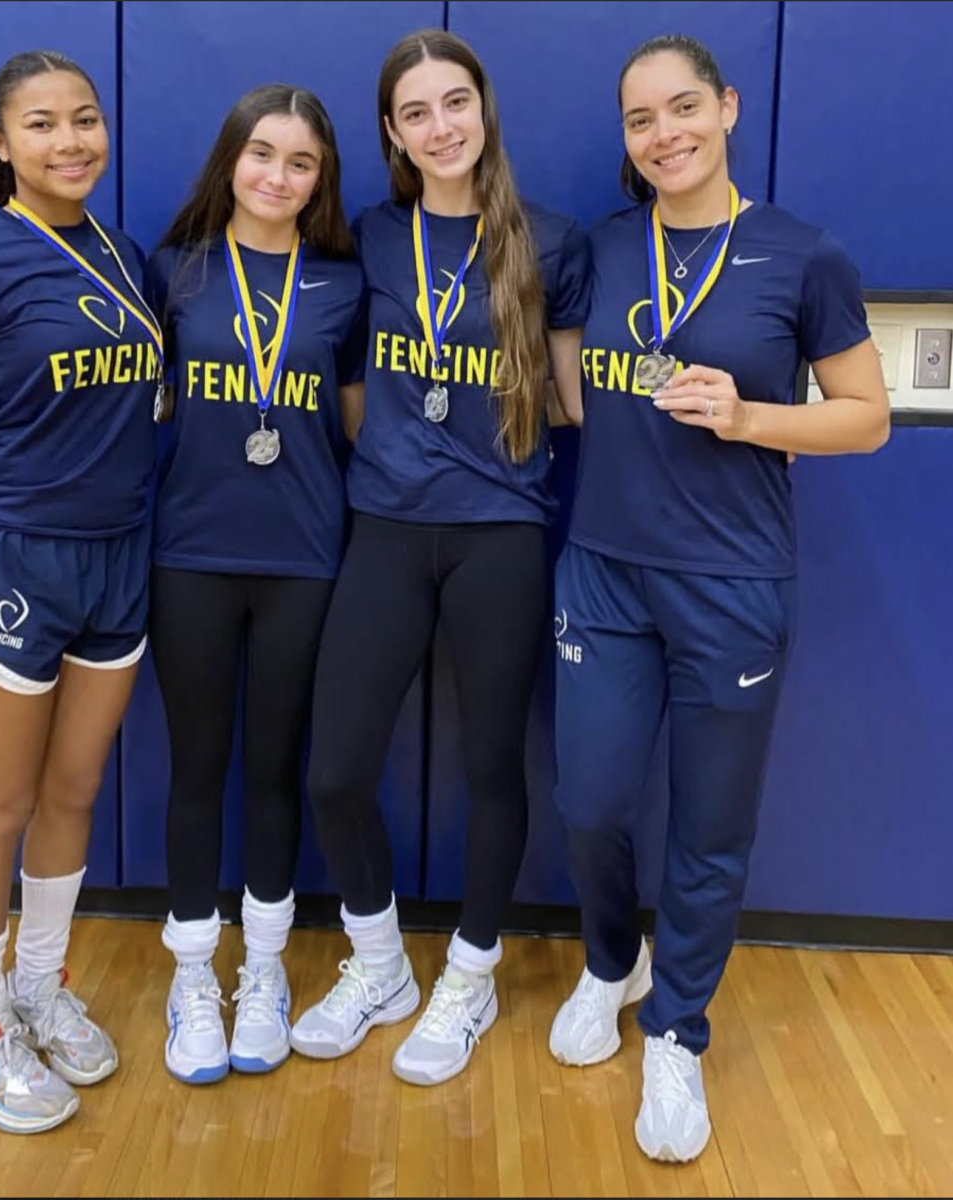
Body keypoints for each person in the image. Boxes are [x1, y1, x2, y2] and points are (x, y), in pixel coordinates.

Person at [547, 33, 889, 1163]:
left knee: (710, 822)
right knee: (593, 802)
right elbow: (573, 377)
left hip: (734, 582)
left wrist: (751, 421)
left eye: (683, 108)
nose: (665, 135)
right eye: (641, 120)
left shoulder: (802, 255)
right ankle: (614, 961)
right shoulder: (602, 249)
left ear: (728, 108)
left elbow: (865, 416)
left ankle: (678, 1030)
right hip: (603, 568)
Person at [289, 29, 589, 1087]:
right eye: (416, 113)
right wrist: (398, 452)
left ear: (484, 109)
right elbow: (349, 382)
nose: (440, 126)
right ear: (392, 134)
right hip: (386, 527)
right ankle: (381, 968)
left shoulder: (547, 241)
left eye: (454, 102)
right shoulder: (369, 237)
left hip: (500, 534)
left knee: (492, 768)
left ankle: (470, 972)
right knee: (334, 773)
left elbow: (569, 403)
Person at [0, 50, 160, 1133]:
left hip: (117, 562)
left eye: (86, 119)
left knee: (71, 794)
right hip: (11, 563)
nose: (72, 142)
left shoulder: (121, 249)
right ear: (2, 144)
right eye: (44, 125)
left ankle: (40, 990)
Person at [146, 85, 366, 1085]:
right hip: (191, 552)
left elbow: (367, 424)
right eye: (262, 154)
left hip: (306, 557)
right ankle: (194, 974)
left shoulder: (342, 283)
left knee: (275, 769)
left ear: (322, 181)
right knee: (198, 767)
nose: (278, 177)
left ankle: (265, 970)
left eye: (302, 163)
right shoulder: (173, 270)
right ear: (230, 158)